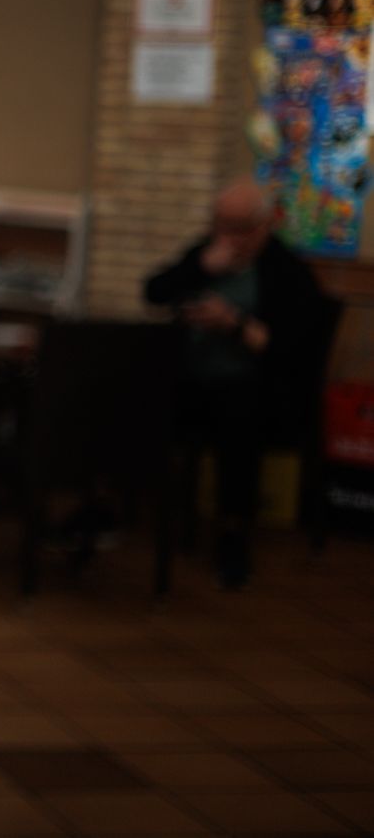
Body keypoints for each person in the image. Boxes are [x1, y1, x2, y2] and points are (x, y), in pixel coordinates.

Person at [143, 178, 335, 588]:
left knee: (238, 409)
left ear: (263, 225)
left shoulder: (286, 272)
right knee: (137, 392)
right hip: (194, 381)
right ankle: (115, 509)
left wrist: (232, 324)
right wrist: (199, 269)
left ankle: (234, 534)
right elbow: (154, 291)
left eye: (238, 227)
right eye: (220, 225)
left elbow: (291, 349)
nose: (227, 237)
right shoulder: (206, 254)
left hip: (261, 390)